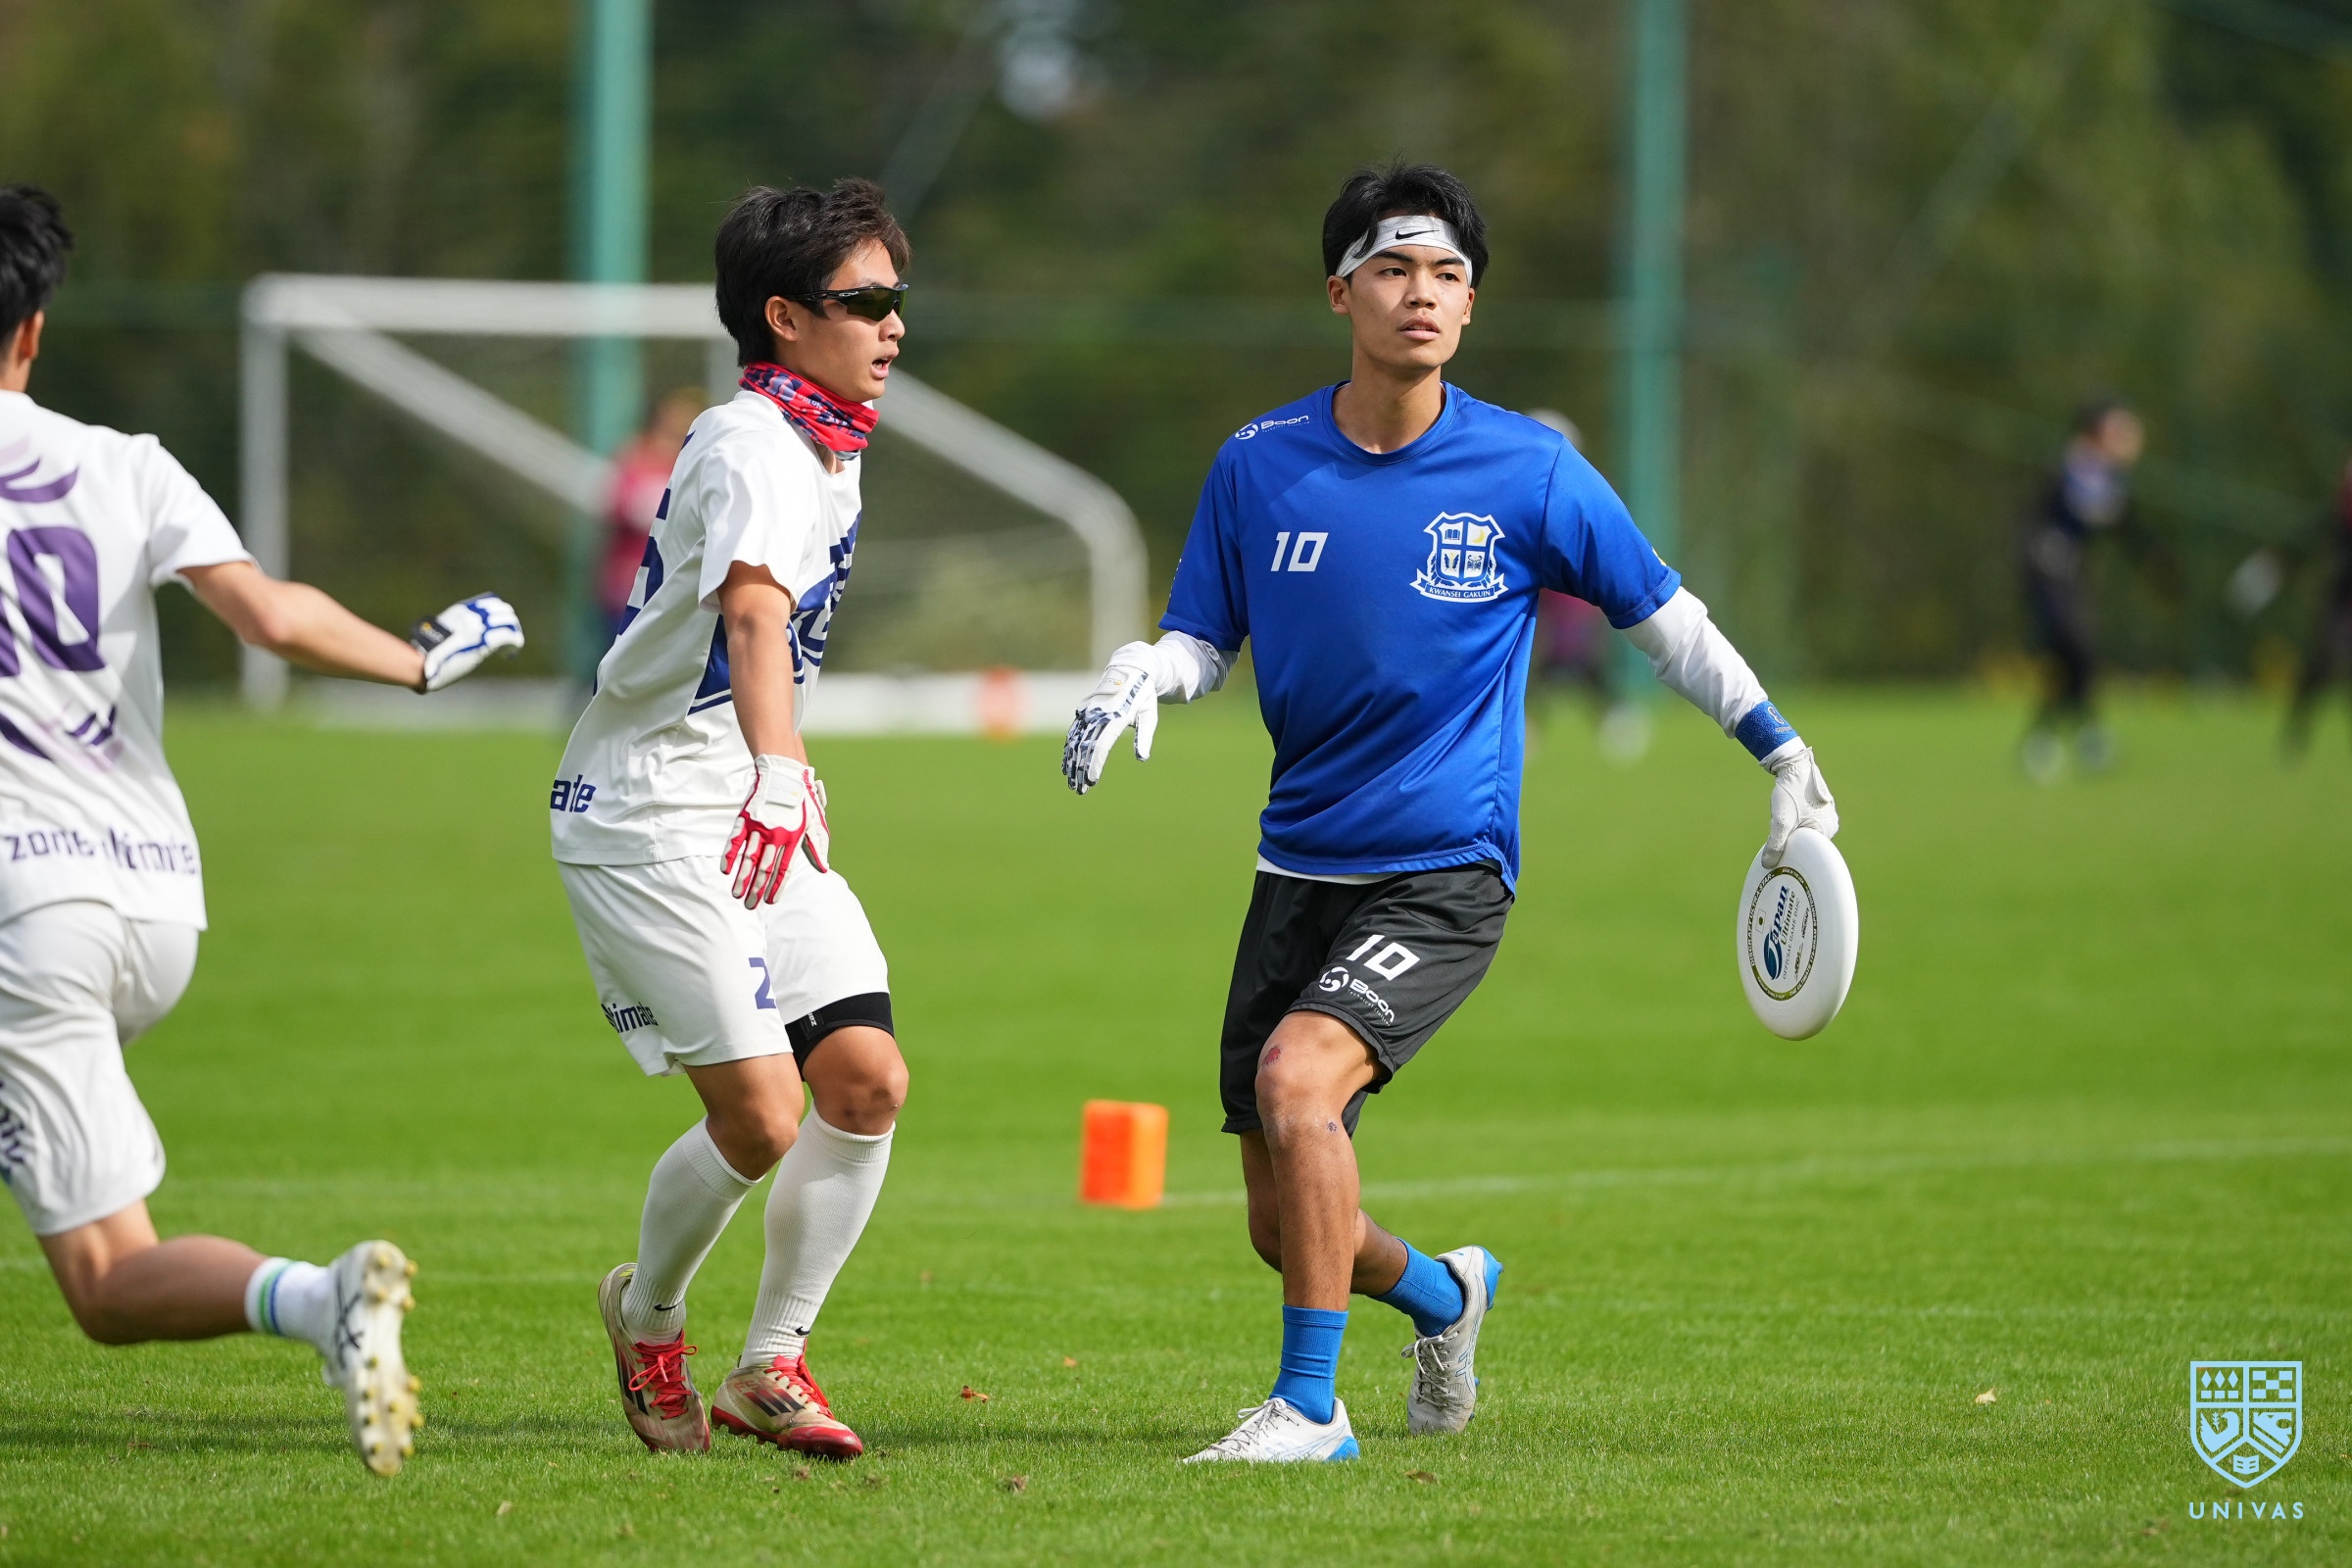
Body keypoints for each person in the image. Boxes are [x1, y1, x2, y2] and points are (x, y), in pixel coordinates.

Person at [1061, 162, 1839, 1464]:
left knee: (1298, 1081)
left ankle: (1310, 1411)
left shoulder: (1532, 470)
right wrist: (1150, 669)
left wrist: (1781, 747)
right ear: (1340, 293)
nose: (1422, 293)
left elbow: (1667, 619)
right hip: (1294, 869)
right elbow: (1203, 635)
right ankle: (1445, 1294)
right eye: (1393, 268)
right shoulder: (1258, 464)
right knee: (1282, 1223)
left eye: (1448, 274)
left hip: (1446, 868)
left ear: (1471, 305)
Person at [0, 184, 523, 1476]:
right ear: (34, 328)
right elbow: (275, 618)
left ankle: (321, 1295)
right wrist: (416, 659)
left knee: (107, 1281)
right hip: (155, 902)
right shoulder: (125, 462)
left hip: (25, 914)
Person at [550, 180, 911, 1461]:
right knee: (761, 1114)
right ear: (783, 317)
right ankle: (647, 1317)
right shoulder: (757, 441)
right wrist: (778, 765)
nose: (893, 323)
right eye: (866, 300)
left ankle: (771, 1366)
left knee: (863, 1079)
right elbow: (754, 614)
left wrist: (778, 765)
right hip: (649, 809)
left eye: (898, 298)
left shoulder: (828, 442)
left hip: (748, 793)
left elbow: (767, 641)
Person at [2017, 399, 2150, 781]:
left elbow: (2127, 529)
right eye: (2118, 430)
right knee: (2073, 647)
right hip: (2047, 574)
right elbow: (2034, 519)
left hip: (2072, 576)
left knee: (2076, 655)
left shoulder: (2106, 478)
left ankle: (2053, 737)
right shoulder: (2067, 470)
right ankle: (2080, 736)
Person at [600, 389, 707, 641]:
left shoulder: (691, 464)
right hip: (629, 586)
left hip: (677, 591)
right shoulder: (636, 458)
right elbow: (618, 505)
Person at [2282, 456, 2352, 758]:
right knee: (2321, 663)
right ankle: (2296, 730)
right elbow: (2304, 544)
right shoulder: (2339, 519)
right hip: (2341, 599)